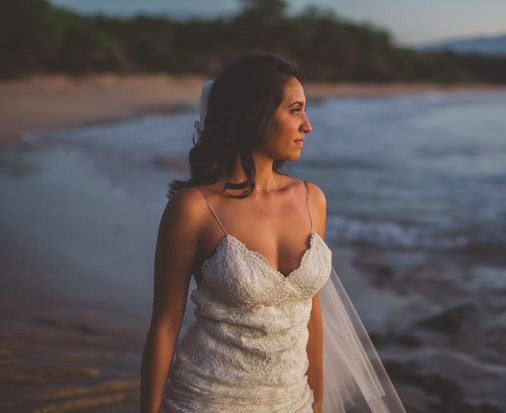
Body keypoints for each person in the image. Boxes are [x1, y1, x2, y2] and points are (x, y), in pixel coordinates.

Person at [140, 54, 406, 413]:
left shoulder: (313, 199)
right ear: (254, 114)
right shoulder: (193, 208)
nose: (307, 126)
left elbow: (311, 311)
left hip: (292, 402)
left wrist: (317, 401)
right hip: (205, 401)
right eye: (295, 110)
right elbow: (165, 325)